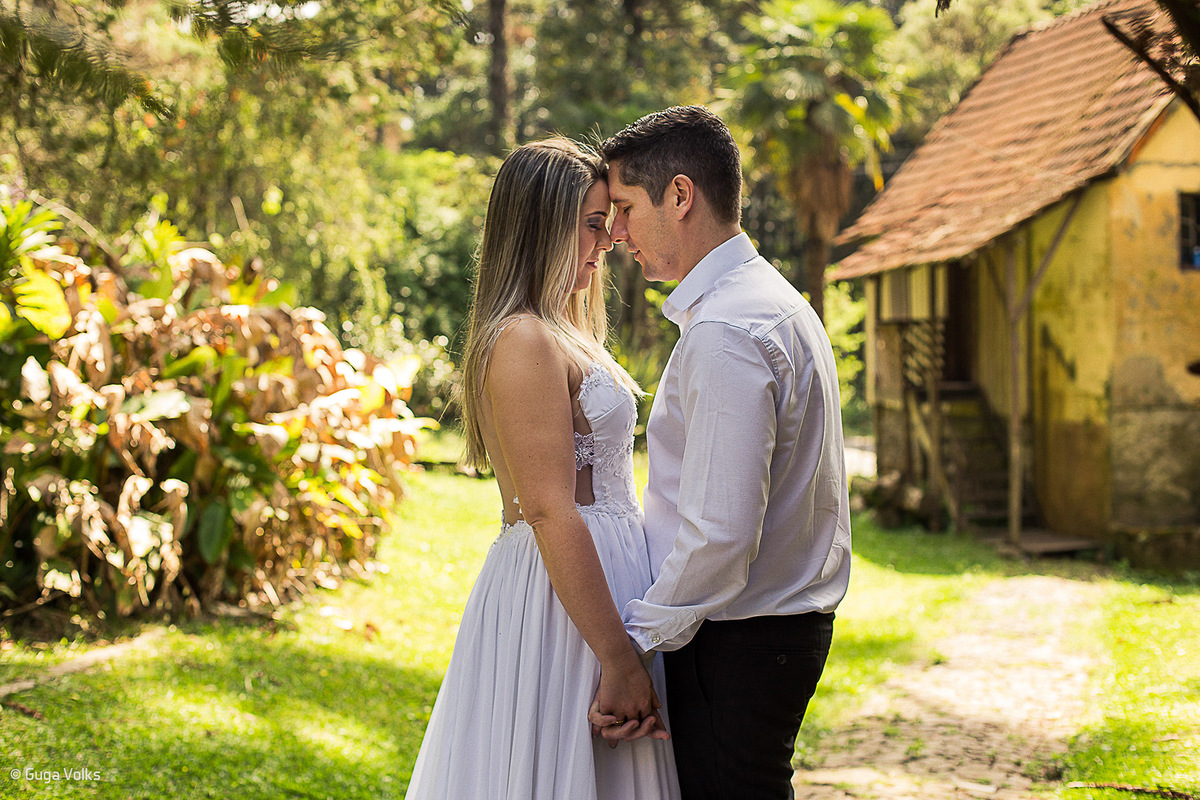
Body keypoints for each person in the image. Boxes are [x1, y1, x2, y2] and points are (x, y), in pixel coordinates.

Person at [403, 138, 680, 800]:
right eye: (592, 223)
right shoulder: (523, 337)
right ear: (543, 227)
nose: (608, 240)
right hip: (564, 602)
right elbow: (551, 508)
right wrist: (616, 657)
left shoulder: (562, 329)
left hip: (604, 585)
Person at [589, 106, 852, 800]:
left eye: (625, 208)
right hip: (768, 633)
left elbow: (721, 535)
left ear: (680, 196)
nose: (616, 234)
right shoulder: (769, 302)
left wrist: (634, 643)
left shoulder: (728, 329)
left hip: (737, 640)